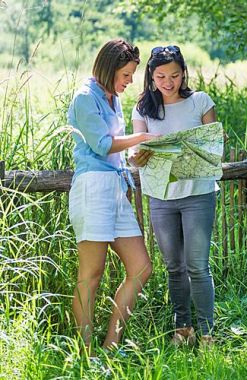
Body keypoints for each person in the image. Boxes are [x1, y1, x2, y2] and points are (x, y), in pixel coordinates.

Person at [67, 39, 158, 354]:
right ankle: (85, 352)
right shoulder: (85, 98)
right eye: (126, 75)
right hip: (92, 188)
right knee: (91, 274)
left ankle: (110, 347)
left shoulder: (112, 99)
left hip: (116, 188)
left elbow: (117, 150)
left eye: (132, 75)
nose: (129, 81)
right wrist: (142, 136)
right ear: (109, 69)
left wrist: (137, 155)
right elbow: (103, 144)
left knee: (142, 267)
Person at [129, 45, 218, 346]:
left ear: (184, 74)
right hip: (161, 198)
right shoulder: (143, 108)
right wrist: (136, 155)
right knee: (174, 267)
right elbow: (136, 146)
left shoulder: (200, 102)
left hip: (198, 194)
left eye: (175, 75)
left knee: (197, 265)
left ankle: (207, 333)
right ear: (151, 77)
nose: (169, 82)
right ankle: (183, 329)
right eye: (161, 76)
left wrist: (215, 143)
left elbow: (216, 145)